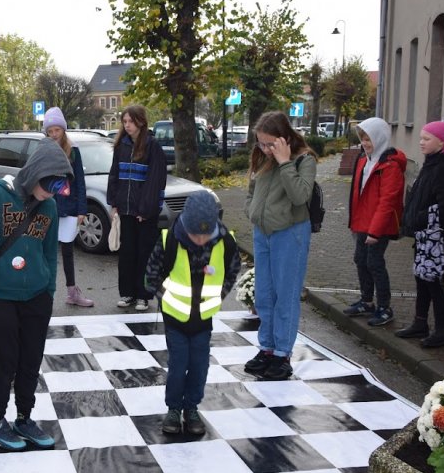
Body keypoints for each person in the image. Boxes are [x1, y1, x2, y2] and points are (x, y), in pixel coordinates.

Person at [0, 138, 72, 451]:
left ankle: (24, 417)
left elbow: (50, 254)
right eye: (50, 183)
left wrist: (49, 290)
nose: (53, 190)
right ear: (35, 173)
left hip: (37, 298)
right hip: (1, 295)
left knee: (30, 361)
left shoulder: (49, 206)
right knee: (4, 362)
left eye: (59, 185)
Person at [145, 190, 240, 435]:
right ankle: (174, 409)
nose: (199, 240)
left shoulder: (225, 243)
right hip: (175, 318)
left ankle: (192, 408)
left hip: (203, 319)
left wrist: (220, 295)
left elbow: (232, 271)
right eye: (194, 234)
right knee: (179, 364)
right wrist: (163, 296)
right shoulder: (170, 240)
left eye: (204, 235)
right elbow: (152, 274)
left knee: (199, 365)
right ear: (186, 225)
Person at [243, 111, 317, 381]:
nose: (264, 149)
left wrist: (285, 162)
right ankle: (267, 348)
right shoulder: (263, 157)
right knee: (264, 294)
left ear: (284, 139)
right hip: (262, 232)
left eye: (270, 143)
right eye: (261, 143)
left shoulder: (304, 160)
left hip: (290, 233)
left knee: (285, 295)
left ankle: (282, 354)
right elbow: (252, 190)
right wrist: (251, 210)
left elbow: (300, 196)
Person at [395, 121, 444, 348]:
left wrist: (417, 218)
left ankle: (441, 331)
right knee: (422, 278)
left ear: (442, 142)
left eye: (426, 139)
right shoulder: (430, 164)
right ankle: (420, 323)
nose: (421, 142)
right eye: (421, 138)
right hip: (424, 235)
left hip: (437, 237)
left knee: (434, 281)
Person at [343, 118, 407, 327]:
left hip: (378, 226)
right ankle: (367, 301)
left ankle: (384, 307)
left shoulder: (390, 166)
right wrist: (355, 222)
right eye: (362, 139)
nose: (364, 143)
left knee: (375, 263)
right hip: (362, 222)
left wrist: (375, 232)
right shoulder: (364, 160)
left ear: (380, 139)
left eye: (368, 139)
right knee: (360, 259)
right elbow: (357, 192)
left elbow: (387, 201)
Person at [107, 104, 167, 312]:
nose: (127, 125)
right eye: (124, 122)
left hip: (145, 212)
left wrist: (146, 209)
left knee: (145, 253)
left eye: (131, 121)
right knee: (127, 252)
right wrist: (113, 202)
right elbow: (114, 174)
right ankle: (127, 293)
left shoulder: (153, 146)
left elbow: (155, 181)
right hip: (126, 209)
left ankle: (143, 296)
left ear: (141, 121)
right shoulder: (121, 146)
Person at [43, 106, 94, 307]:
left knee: (67, 252)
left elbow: (80, 181)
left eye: (57, 130)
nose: (54, 134)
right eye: (50, 131)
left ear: (63, 130)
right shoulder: (44, 150)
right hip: (48, 206)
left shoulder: (73, 151)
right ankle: (44, 293)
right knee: (45, 252)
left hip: (69, 207)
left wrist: (82, 209)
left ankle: (72, 292)